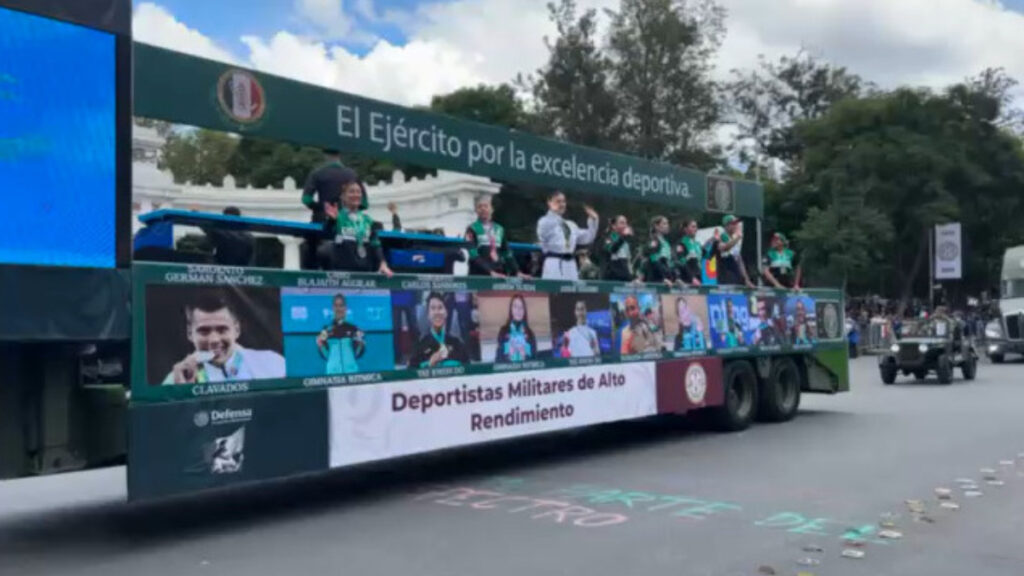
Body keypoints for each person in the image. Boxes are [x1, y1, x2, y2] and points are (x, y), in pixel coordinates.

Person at [163, 293, 285, 385]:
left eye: (222, 330)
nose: (214, 340)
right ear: (190, 333)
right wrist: (182, 394)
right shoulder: (175, 379)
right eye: (204, 331)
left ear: (237, 330)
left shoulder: (274, 363)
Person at [319, 170, 394, 276]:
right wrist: (332, 220)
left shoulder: (367, 220)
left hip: (365, 273)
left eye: (358, 192)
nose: (356, 194)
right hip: (342, 274)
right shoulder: (338, 217)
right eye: (351, 191)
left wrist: (383, 263)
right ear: (343, 197)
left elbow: (376, 244)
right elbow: (326, 233)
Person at [301, 150, 361, 269]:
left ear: (325, 155)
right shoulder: (352, 174)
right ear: (340, 155)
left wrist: (320, 207)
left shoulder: (317, 173)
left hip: (322, 220)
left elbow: (306, 199)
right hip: (349, 222)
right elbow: (364, 203)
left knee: (309, 248)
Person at [536, 191, 599, 280]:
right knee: (553, 291)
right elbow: (543, 235)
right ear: (549, 203)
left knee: (571, 292)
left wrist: (593, 220)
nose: (562, 204)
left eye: (563, 201)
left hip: (571, 264)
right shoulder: (544, 221)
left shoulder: (570, 225)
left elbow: (588, 237)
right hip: (554, 262)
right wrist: (552, 212)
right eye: (558, 201)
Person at [465, 196, 525, 278]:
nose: (483, 209)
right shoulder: (472, 229)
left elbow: (506, 252)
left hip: (499, 273)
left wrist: (517, 272)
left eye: (486, 206)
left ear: (492, 209)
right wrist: (490, 272)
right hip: (479, 275)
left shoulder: (499, 229)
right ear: (476, 211)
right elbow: (473, 255)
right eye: (479, 207)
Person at [410, 292, 470, 368]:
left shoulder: (458, 344)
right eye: (433, 308)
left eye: (440, 308)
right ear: (428, 315)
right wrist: (430, 364)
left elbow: (468, 376)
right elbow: (411, 377)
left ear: (446, 313)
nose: (437, 312)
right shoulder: (419, 347)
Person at [316, 293, 365, 375]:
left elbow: (358, 354)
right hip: (332, 374)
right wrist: (320, 345)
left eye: (341, 305)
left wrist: (361, 344)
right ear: (333, 308)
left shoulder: (354, 329)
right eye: (336, 305)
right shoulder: (326, 330)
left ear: (345, 308)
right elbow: (325, 355)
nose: (338, 308)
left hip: (351, 374)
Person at [713, 215, 754, 288]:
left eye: (736, 224)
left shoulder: (735, 239)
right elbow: (724, 248)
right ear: (727, 225)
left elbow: (739, 260)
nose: (736, 226)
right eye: (733, 224)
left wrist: (746, 279)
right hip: (726, 277)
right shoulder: (722, 236)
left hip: (736, 276)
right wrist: (738, 237)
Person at [495, 294, 538, 363]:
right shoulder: (503, 331)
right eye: (515, 306)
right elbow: (498, 359)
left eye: (521, 307)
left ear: (524, 311)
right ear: (511, 309)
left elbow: (536, 360)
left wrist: (525, 357)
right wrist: (508, 356)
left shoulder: (530, 333)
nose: (518, 310)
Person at [643, 216, 676, 287]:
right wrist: (663, 278)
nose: (667, 226)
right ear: (656, 226)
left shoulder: (666, 243)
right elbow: (654, 262)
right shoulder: (654, 241)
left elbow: (669, 263)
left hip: (667, 281)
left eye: (667, 223)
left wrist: (675, 278)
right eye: (664, 224)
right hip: (656, 280)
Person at [602, 215, 636, 282]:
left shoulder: (625, 242)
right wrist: (623, 236)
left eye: (626, 223)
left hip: (625, 279)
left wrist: (633, 277)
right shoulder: (609, 237)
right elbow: (612, 249)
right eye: (622, 223)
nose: (625, 225)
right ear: (614, 226)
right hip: (612, 280)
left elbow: (628, 263)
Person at [674, 219, 703, 286]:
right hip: (687, 279)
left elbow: (705, 255)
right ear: (685, 229)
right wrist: (692, 278)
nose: (695, 229)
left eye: (696, 227)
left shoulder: (697, 244)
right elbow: (682, 262)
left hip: (698, 277)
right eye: (693, 227)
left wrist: (712, 240)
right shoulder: (682, 243)